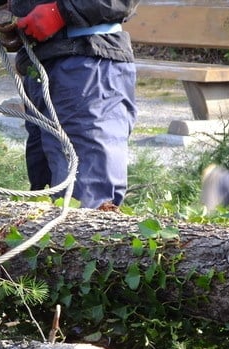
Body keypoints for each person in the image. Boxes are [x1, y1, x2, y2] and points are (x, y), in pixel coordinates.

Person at [10, 0, 139, 209]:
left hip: (88, 63)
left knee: (87, 203)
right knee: (45, 203)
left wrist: (60, 12)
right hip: (42, 62)